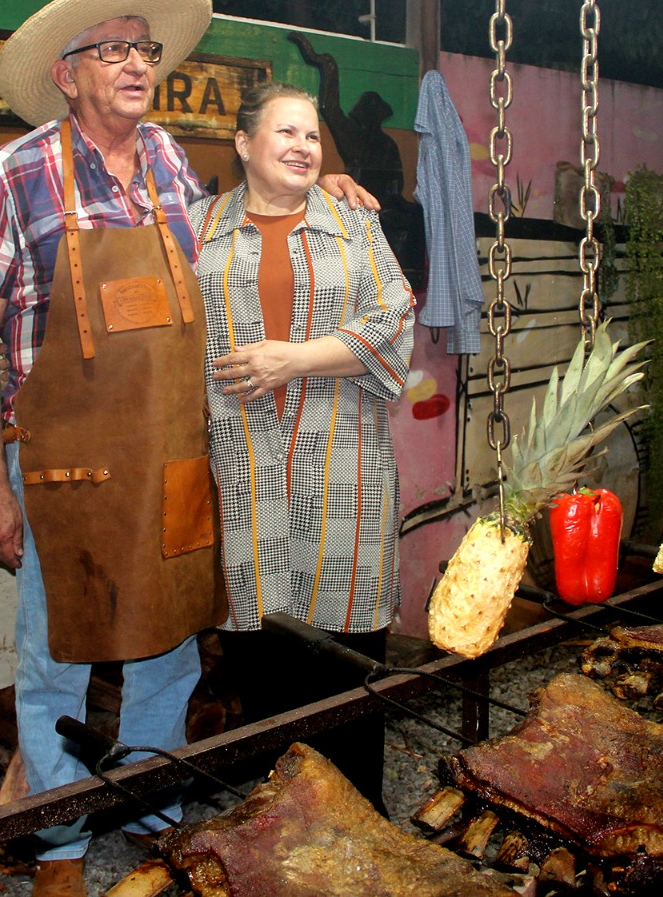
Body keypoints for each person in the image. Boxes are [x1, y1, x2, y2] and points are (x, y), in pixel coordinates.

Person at [0, 0, 372, 897]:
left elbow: (246, 230)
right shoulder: (15, 175)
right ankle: (56, 850)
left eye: (146, 51)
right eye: (114, 50)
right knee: (55, 655)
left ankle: (150, 819)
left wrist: (319, 181)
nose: (138, 65)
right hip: (59, 460)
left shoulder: (175, 166)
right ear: (67, 75)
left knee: (170, 648)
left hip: (171, 452)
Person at [188, 82, 414, 809]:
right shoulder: (196, 229)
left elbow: (394, 321)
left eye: (313, 137)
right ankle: (281, 826)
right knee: (261, 654)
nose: (302, 147)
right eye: (285, 133)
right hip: (241, 468)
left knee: (348, 657)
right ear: (244, 143)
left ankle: (359, 825)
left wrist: (297, 358)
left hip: (344, 460)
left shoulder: (354, 221)